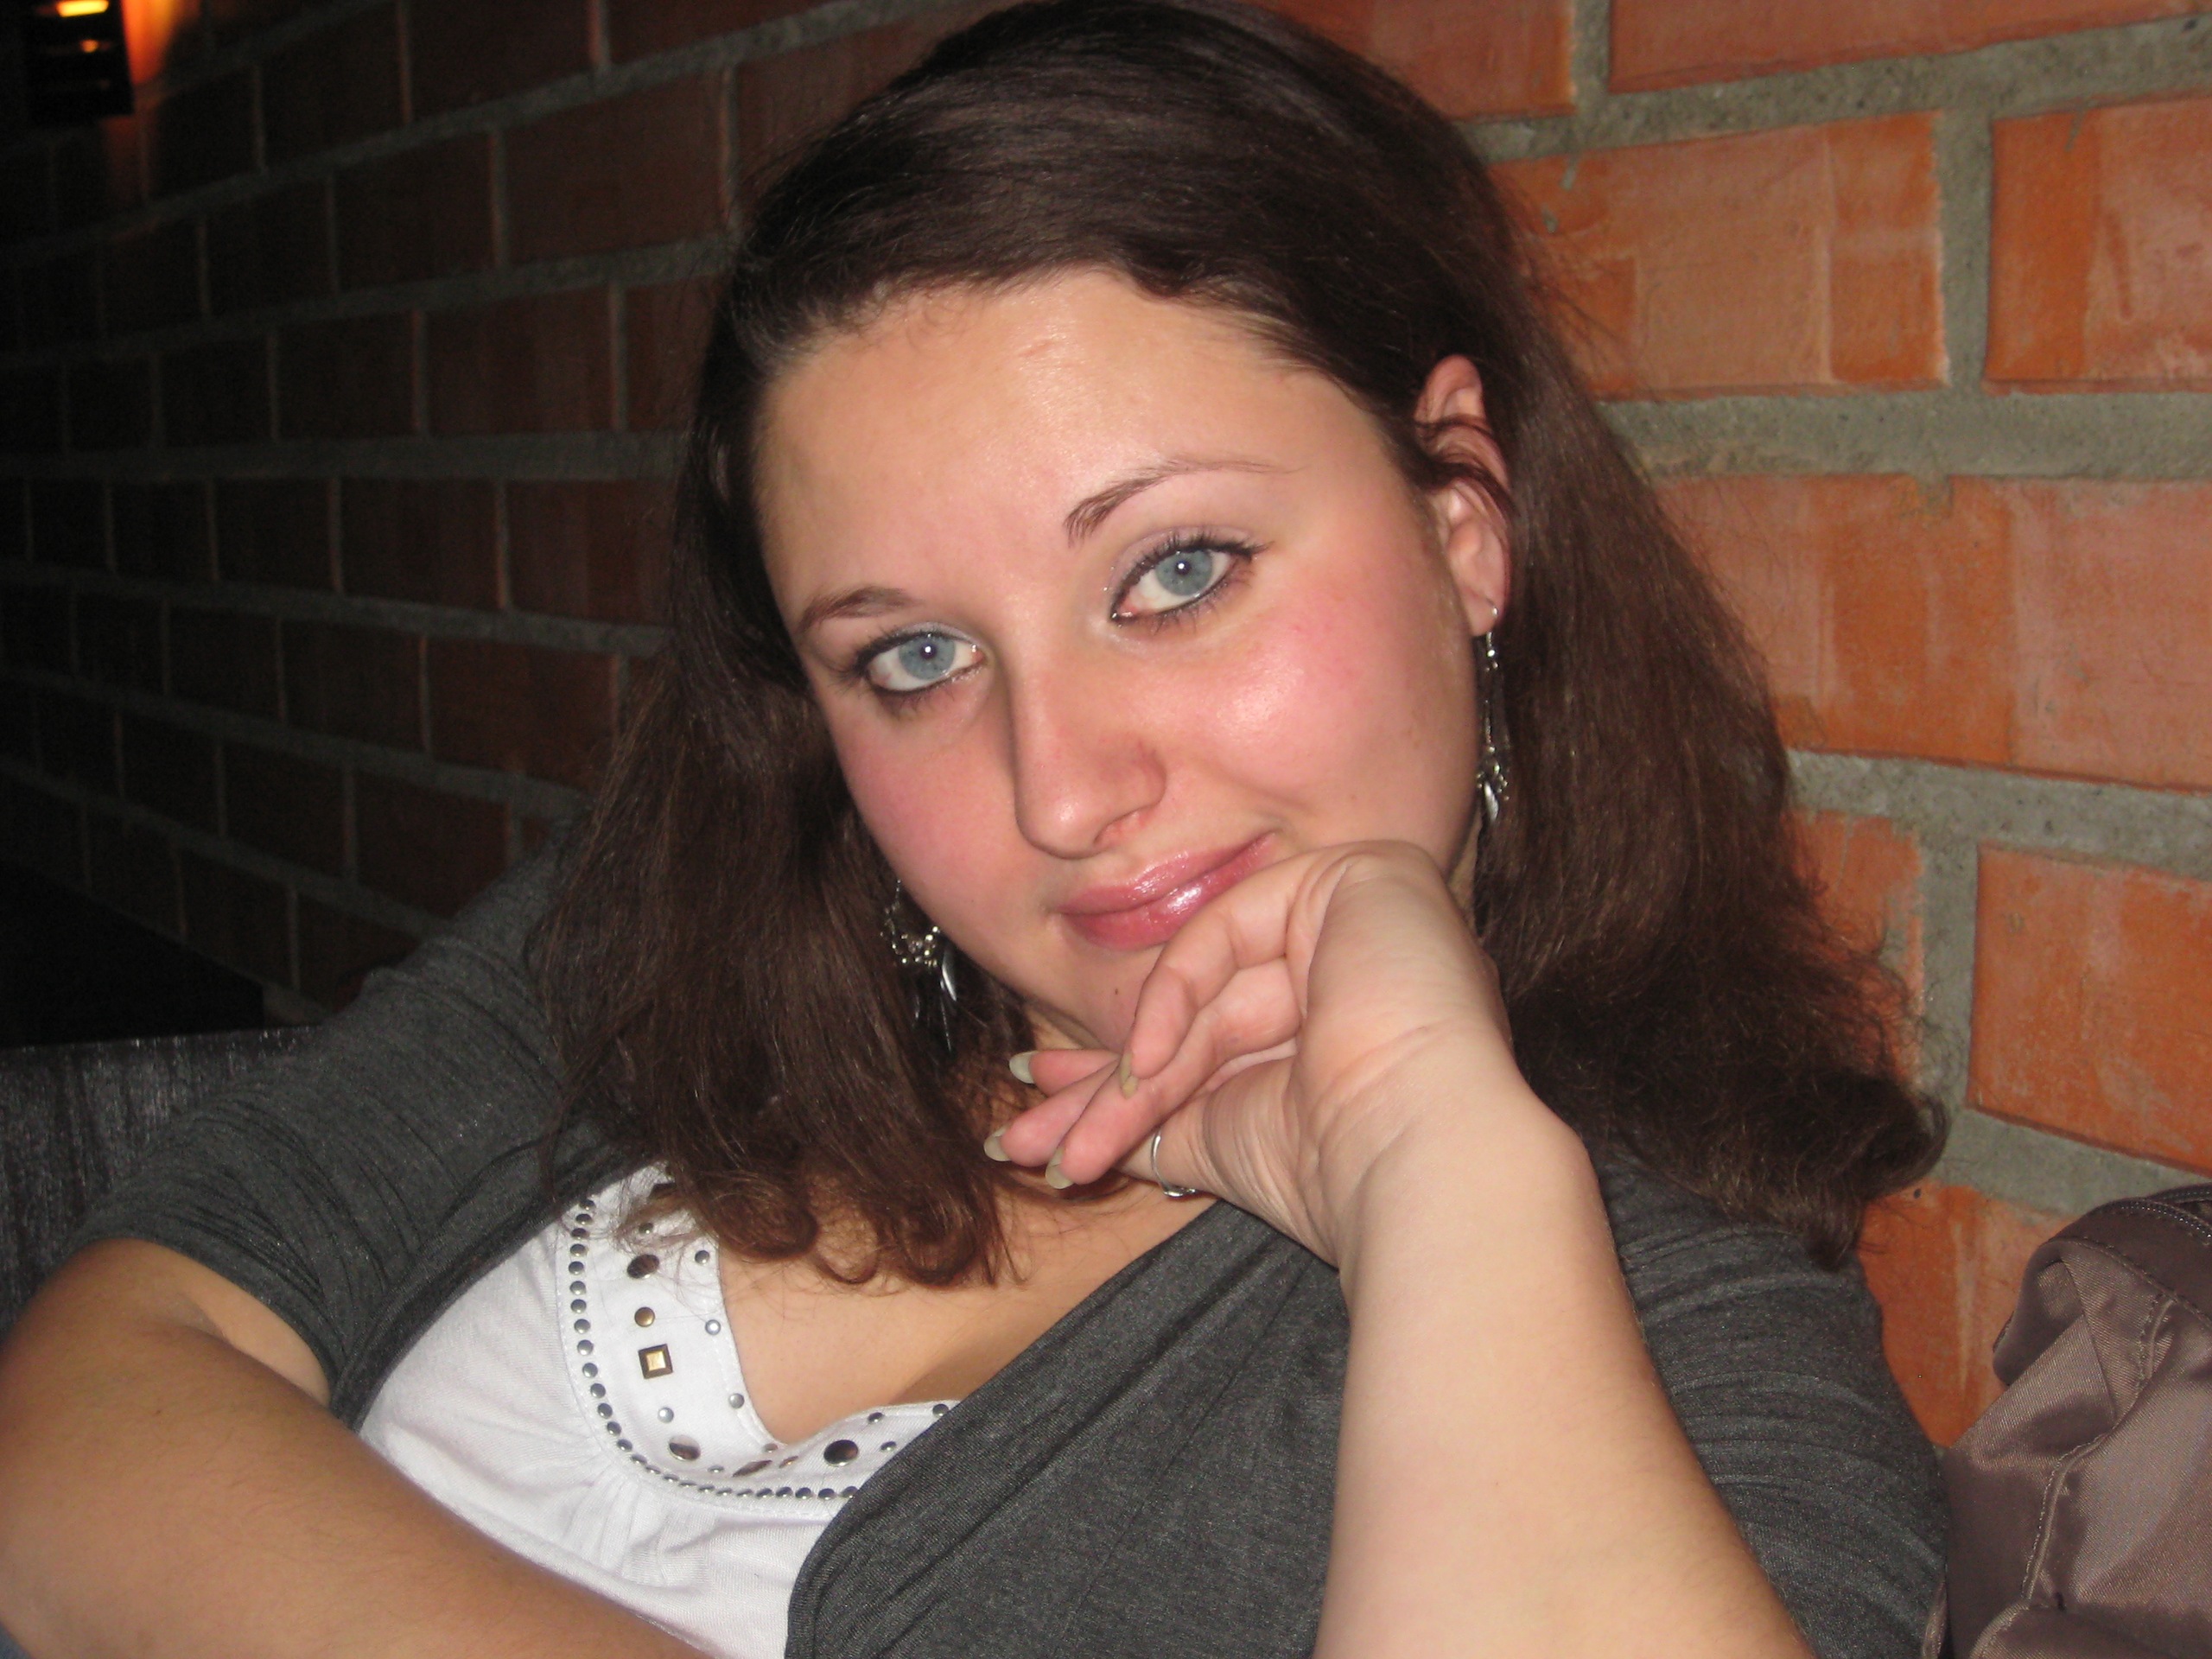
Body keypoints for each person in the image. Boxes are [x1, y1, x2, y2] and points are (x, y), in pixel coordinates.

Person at [0, 3, 1948, 1655]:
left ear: (1462, 519)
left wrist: (1431, 1156)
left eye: (1176, 571)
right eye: (915, 657)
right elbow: (76, 1415)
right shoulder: (666, 939)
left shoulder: (1656, 1327)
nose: (1060, 791)